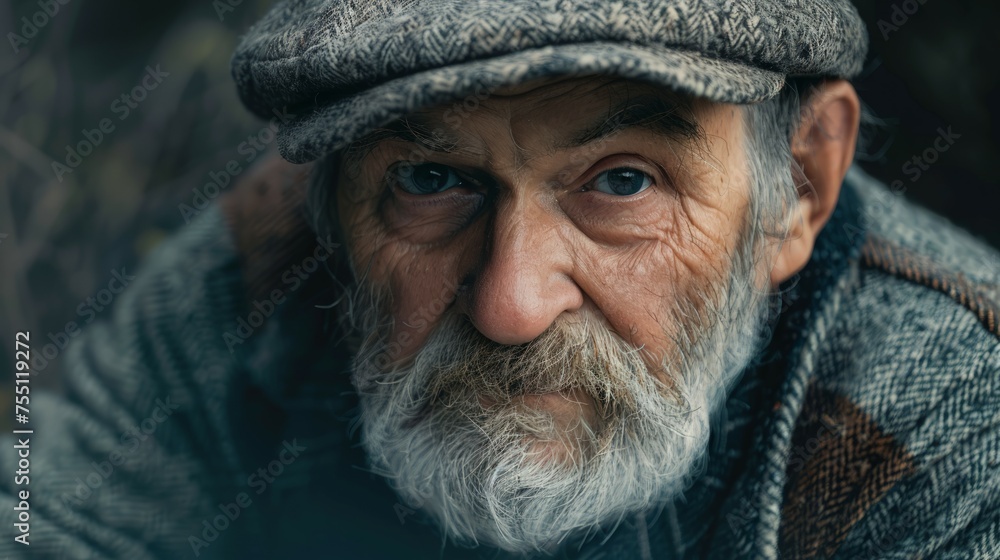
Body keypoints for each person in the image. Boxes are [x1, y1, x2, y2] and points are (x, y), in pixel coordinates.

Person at [2, 0, 999, 558]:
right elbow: (45, 513)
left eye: (621, 182)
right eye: (432, 180)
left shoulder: (956, 425)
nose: (510, 305)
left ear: (802, 184)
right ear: (328, 191)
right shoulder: (272, 256)